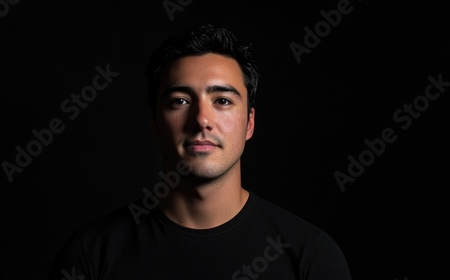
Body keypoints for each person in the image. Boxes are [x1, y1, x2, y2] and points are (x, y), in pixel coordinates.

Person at [48, 23, 352, 280]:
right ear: (155, 124)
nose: (201, 120)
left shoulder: (311, 257)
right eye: (180, 101)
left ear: (249, 123)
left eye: (222, 100)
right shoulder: (90, 257)